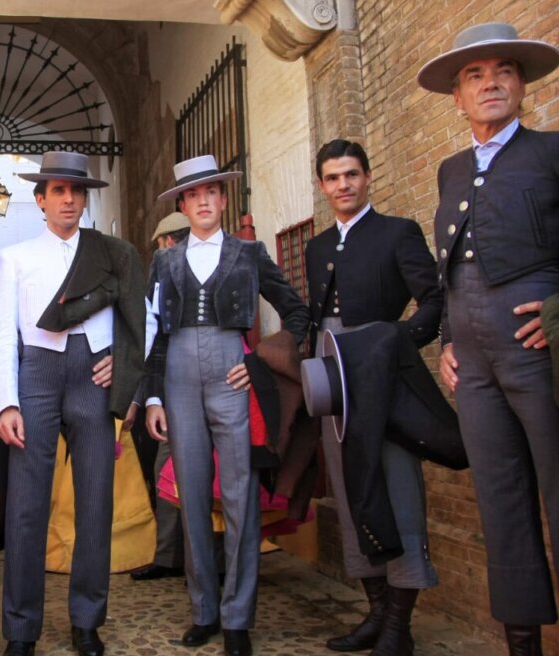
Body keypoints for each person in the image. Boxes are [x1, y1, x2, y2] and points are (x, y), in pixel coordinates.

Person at [417, 22, 559, 655]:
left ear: (522, 86)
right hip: (473, 367)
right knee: (500, 503)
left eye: (503, 71)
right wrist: (448, 337)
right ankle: (522, 646)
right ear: (458, 98)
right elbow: (450, 266)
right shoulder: (450, 170)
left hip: (539, 353)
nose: (490, 83)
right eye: (474, 75)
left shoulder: (550, 152)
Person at [144, 154, 308, 656]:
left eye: (210, 192)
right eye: (193, 195)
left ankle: (238, 617)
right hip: (177, 377)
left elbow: (296, 312)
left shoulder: (249, 252)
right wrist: (153, 395)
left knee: (239, 494)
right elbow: (154, 332)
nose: (203, 202)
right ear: (183, 204)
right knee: (192, 494)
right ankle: (204, 610)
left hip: (231, 374)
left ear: (222, 197)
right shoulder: (165, 261)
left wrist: (259, 363)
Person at [0, 151, 145, 656]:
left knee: (95, 501)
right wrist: (5, 403)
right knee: (26, 507)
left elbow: (140, 318)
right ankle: (20, 629)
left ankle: (87, 621)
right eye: (58, 190)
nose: (69, 200)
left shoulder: (111, 253)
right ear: (40, 199)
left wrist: (121, 364)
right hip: (36, 375)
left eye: (76, 191)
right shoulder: (15, 257)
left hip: (93, 376)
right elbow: (3, 337)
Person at [305, 140, 442, 655]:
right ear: (322, 186)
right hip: (334, 380)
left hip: (383, 379)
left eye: (351, 174)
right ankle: (377, 614)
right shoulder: (317, 247)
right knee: (349, 493)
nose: (343, 184)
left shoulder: (397, 232)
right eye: (333, 177)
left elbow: (435, 299)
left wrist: (396, 345)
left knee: (397, 488)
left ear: (367, 177)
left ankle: (399, 628)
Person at [129, 211, 191, 583]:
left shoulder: (166, 273)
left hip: (192, 391)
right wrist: (148, 399)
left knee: (179, 472)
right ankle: (172, 556)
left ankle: (198, 560)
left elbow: (151, 344)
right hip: (170, 394)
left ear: (166, 243)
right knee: (169, 471)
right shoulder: (162, 280)